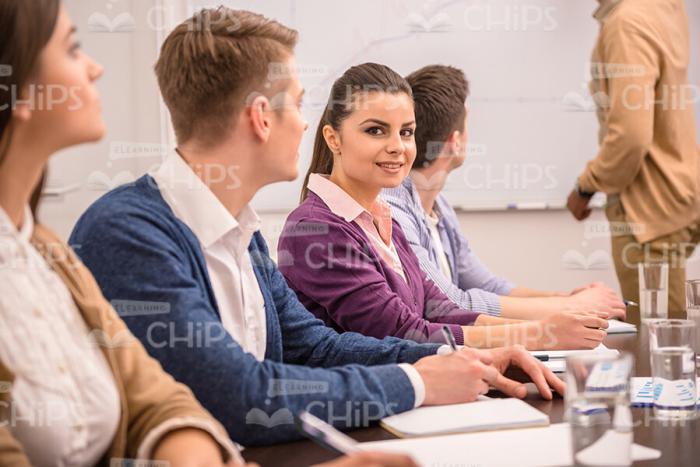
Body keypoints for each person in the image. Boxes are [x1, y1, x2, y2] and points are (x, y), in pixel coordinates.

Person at [69, 7, 565, 448]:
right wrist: (417, 382)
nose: (306, 125)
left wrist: (448, 358)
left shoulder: (242, 231)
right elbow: (241, 395)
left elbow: (316, 346)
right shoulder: (131, 232)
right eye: (298, 103)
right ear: (262, 118)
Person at [0, 1, 245, 465]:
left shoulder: (48, 252)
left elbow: (156, 400)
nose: (95, 68)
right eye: (73, 49)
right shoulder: (123, 225)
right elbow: (235, 390)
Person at [278, 62, 609, 350]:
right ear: (333, 138)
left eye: (406, 132)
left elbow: (438, 308)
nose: (397, 147)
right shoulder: (317, 229)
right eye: (376, 130)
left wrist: (550, 326)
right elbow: (402, 331)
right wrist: (540, 334)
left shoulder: (381, 215)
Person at [382, 64, 625, 322]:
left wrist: (567, 299)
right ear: (455, 141)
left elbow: (489, 286)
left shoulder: (439, 206)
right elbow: (451, 302)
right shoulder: (392, 209)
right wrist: (573, 307)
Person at [567, 0, 700, 322]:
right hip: (675, 195)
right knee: (672, 337)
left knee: (661, 342)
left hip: (650, 209)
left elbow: (632, 135)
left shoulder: (627, 22)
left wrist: (586, 186)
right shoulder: (662, 6)